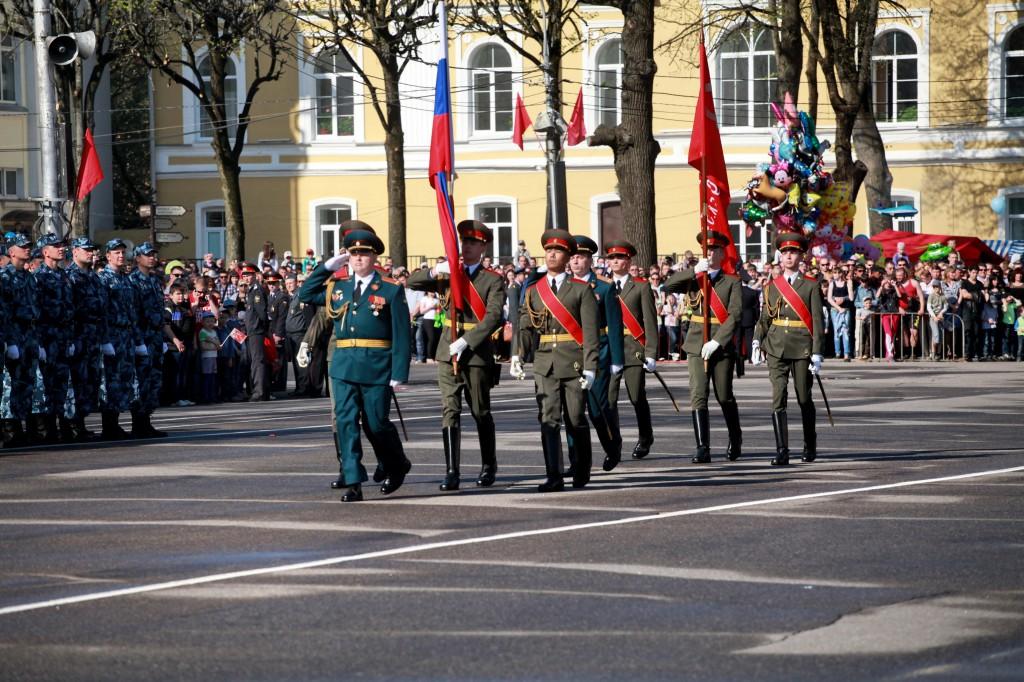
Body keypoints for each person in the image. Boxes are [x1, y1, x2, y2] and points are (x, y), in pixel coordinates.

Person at [298, 227, 412, 502]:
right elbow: (305, 293)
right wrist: (326, 267)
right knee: (347, 422)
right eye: (353, 253)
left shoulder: (390, 290)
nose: (358, 258)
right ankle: (353, 480)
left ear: (374, 257)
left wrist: (399, 373)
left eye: (364, 253)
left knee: (377, 424)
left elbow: (402, 335)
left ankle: (397, 464)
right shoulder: (338, 288)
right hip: (343, 365)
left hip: (376, 366)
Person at [407, 220, 505, 490]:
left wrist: (468, 340)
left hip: (475, 352)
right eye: (464, 242)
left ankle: (488, 465)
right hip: (446, 349)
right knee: (450, 409)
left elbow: (495, 315)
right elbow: (412, 282)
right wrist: (437, 268)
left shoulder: (492, 280)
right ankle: (452, 471)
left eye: (473, 242)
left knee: (480, 410)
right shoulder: (449, 274)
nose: (467, 247)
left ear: (483, 246)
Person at [510, 229, 598, 491]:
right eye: (548, 250)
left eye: (557, 251)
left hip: (573, 362)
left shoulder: (581, 290)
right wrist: (517, 354)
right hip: (545, 362)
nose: (551, 254)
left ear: (568, 256)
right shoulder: (534, 290)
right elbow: (525, 326)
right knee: (548, 418)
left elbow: (591, 333)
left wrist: (591, 366)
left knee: (575, 418)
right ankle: (554, 475)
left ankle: (581, 468)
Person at [664, 229, 743, 463]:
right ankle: (702, 446)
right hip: (696, 342)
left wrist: (718, 340)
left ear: (722, 253)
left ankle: (735, 436)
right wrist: (693, 270)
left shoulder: (732, 282)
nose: (710, 253)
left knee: (724, 395)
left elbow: (735, 315)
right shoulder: (694, 278)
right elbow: (668, 286)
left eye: (715, 250)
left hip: (720, 344)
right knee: (698, 395)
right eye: (706, 250)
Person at [752, 232, 823, 466]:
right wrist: (756, 341)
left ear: (801, 256)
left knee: (804, 397)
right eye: (784, 253)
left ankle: (809, 444)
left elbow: (816, 320)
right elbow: (764, 317)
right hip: (775, 346)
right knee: (778, 397)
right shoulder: (772, 286)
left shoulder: (810, 285)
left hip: (802, 346)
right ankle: (782, 450)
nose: (788, 256)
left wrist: (817, 352)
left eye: (792, 252)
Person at [564, 235, 624, 472]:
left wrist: (617, 360)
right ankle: (576, 459)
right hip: (571, 354)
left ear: (590, 260)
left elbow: (615, 324)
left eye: (580, 257)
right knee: (571, 410)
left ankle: (612, 445)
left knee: (597, 409)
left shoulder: (603, 287)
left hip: (598, 352)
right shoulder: (563, 286)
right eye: (573, 257)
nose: (576, 261)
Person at [604, 239, 658, 459]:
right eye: (611, 258)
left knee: (637, 397)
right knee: (609, 399)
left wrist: (651, 352)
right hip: (610, 348)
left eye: (619, 258)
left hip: (633, 347)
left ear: (628, 260)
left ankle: (646, 437)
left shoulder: (641, 286)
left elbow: (650, 321)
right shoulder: (602, 286)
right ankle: (613, 443)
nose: (615, 261)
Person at [32, 234, 75, 442]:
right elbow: (36, 312)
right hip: (47, 337)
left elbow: (70, 309)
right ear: (45, 251)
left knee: (62, 383)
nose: (61, 248)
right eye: (55, 246)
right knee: (47, 383)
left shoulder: (64, 276)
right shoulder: (39, 277)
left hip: (63, 336)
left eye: (62, 245)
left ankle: (64, 425)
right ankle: (47, 429)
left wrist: (71, 337)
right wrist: (39, 343)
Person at [1, 232, 41, 447]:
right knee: (12, 383)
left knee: (27, 381)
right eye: (22, 246)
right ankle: (10, 429)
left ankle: (22, 425)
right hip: (15, 333)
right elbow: (4, 312)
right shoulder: (5, 277)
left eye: (28, 245)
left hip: (30, 334)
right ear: (11, 251)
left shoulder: (29, 277)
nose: (27, 248)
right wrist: (10, 341)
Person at [128, 242, 170, 438]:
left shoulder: (154, 280)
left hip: (154, 335)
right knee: (141, 381)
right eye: (147, 255)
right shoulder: (133, 281)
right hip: (142, 335)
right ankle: (138, 422)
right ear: (138, 258)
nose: (152, 257)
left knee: (154, 380)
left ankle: (147, 421)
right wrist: (138, 341)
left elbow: (159, 311)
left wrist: (161, 336)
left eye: (153, 254)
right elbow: (133, 314)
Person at [66, 236, 106, 441]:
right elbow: (69, 310)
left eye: (92, 250)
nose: (90, 253)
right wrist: (71, 338)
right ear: (75, 252)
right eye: (86, 250)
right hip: (78, 334)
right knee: (77, 380)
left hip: (93, 335)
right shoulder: (70, 276)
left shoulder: (93, 277)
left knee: (90, 380)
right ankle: (73, 426)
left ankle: (81, 422)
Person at [96, 238, 136, 440]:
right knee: (110, 380)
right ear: (108, 256)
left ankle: (116, 423)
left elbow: (131, 310)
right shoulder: (104, 279)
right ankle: (109, 425)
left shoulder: (125, 279)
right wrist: (104, 339)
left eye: (123, 252)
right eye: (116, 253)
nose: (121, 255)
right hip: (112, 333)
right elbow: (101, 312)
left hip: (126, 334)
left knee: (123, 380)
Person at [241, 263, 272, 400]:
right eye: (245, 276)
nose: (246, 278)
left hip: (256, 331)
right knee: (256, 361)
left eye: (248, 275)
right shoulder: (251, 291)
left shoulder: (257, 291)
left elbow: (262, 313)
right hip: (252, 331)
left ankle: (259, 392)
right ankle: (260, 391)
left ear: (254, 275)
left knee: (257, 362)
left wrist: (262, 328)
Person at [284, 273, 316, 397]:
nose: (288, 286)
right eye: (286, 284)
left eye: (291, 283)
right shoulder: (292, 297)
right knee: (296, 364)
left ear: (297, 282)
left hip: (300, 334)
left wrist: (309, 335)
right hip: (291, 334)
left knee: (301, 363)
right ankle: (299, 387)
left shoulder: (301, 295)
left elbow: (308, 316)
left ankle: (303, 388)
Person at [827, 266, 854, 361]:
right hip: (835, 310)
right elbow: (829, 298)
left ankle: (846, 353)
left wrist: (843, 298)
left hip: (846, 309)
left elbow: (851, 298)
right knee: (837, 331)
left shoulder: (847, 283)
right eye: (834, 273)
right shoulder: (832, 284)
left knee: (846, 331)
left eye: (837, 273)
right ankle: (837, 352)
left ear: (841, 274)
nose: (835, 275)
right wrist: (838, 307)